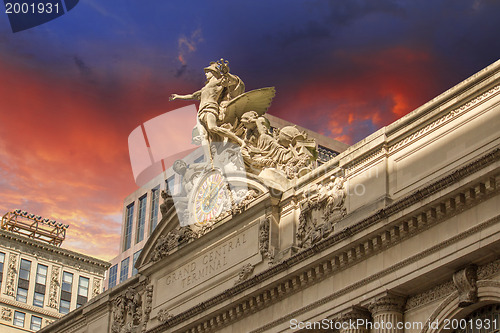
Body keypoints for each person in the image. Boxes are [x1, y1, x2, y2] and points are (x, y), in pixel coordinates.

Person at [170, 61, 246, 148]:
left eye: (207, 72)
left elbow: (234, 81)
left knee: (212, 128)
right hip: (200, 111)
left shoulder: (219, 82)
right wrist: (178, 96)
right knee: (204, 136)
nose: (206, 74)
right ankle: (209, 160)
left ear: (213, 72)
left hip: (210, 108)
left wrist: (226, 73)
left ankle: (239, 141)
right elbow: (192, 96)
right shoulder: (204, 88)